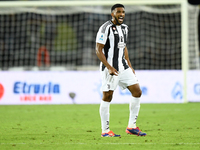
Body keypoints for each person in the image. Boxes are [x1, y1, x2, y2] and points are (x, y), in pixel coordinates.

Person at [95, 4, 146, 137]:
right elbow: (98, 50)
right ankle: (105, 131)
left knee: (137, 92)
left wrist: (129, 65)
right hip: (110, 68)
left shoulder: (125, 28)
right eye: (118, 12)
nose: (121, 14)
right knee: (108, 96)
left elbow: (123, 47)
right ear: (112, 14)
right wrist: (109, 67)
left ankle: (131, 127)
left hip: (123, 67)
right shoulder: (105, 28)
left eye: (123, 12)